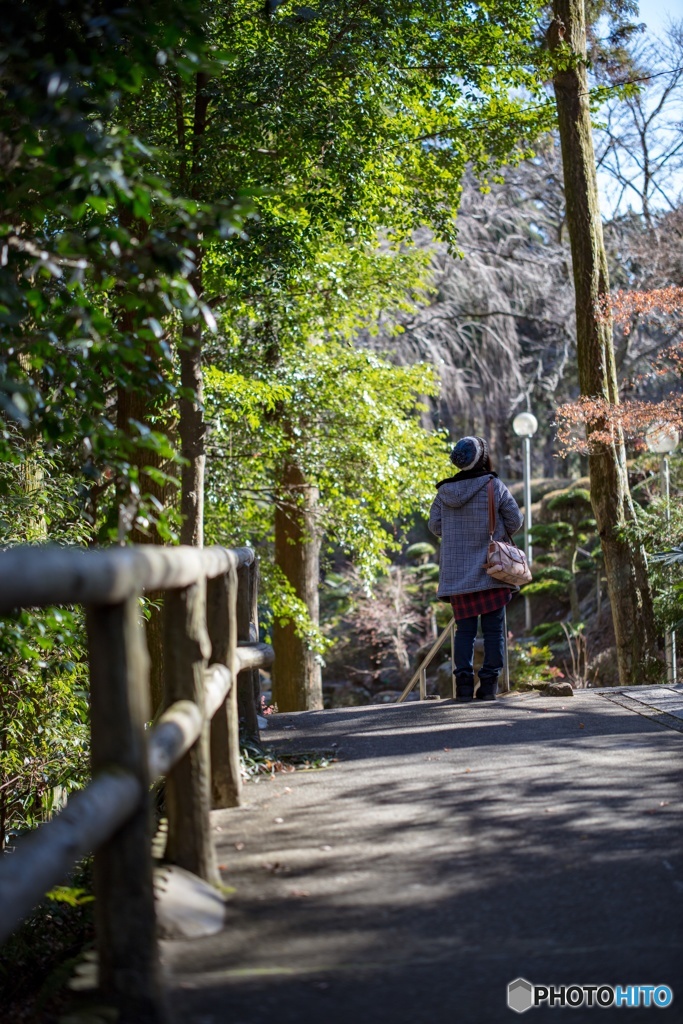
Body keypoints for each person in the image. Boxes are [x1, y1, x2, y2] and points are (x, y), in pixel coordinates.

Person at [428, 436, 524, 702]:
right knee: (493, 631)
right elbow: (515, 520)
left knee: (464, 632)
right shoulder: (494, 486)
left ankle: (463, 687)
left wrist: (457, 532)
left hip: (457, 574)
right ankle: (489, 686)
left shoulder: (444, 493)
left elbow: (435, 527)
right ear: (483, 458)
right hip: (491, 570)